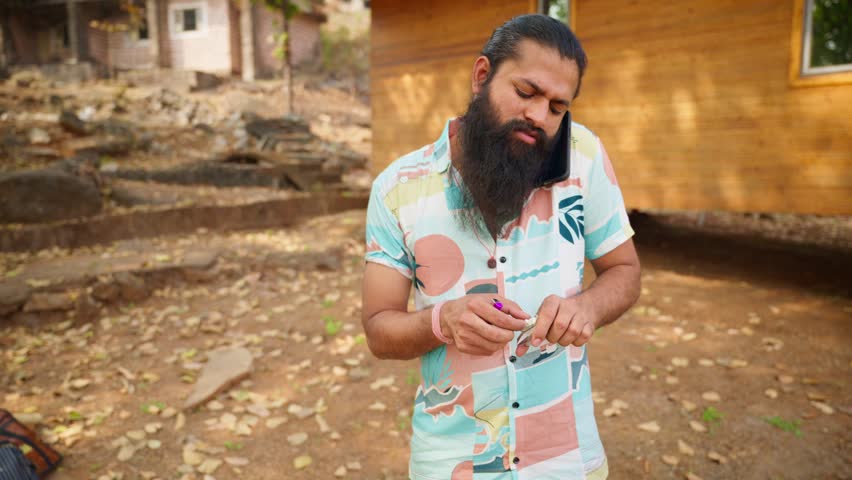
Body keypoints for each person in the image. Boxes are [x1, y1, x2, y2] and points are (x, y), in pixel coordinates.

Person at [361, 14, 641, 480]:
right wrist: (441, 321)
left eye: (557, 107)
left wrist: (588, 308)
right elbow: (378, 328)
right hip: (452, 463)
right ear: (481, 76)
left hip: (568, 459)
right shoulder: (397, 189)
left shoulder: (584, 157)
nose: (539, 117)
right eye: (526, 92)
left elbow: (625, 271)